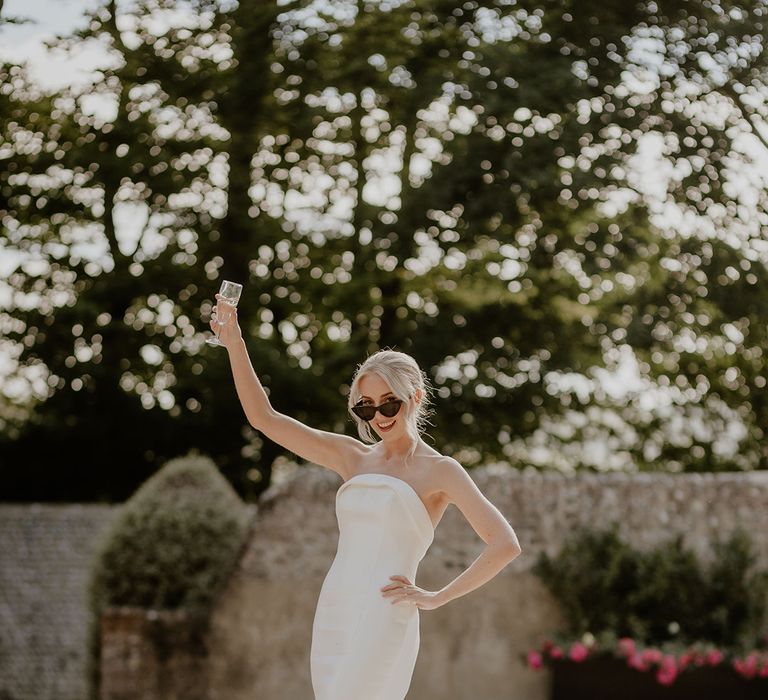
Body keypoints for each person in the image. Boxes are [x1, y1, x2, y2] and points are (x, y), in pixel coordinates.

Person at [210, 293, 522, 700]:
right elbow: (264, 419)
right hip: (337, 604)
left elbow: (504, 544)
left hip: (385, 612)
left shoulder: (440, 470)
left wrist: (436, 597)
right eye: (366, 408)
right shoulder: (351, 456)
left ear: (415, 397)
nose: (379, 416)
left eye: (389, 402)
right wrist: (235, 342)